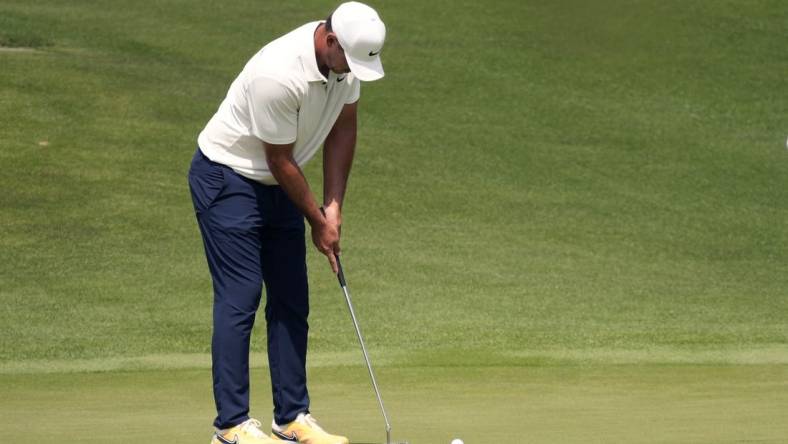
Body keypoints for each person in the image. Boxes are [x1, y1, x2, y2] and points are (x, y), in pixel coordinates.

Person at [187, 3, 386, 443]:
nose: (352, 71)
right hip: (228, 175)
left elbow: (344, 129)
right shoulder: (279, 74)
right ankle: (231, 426)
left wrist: (333, 206)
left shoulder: (347, 63)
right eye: (349, 61)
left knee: (292, 297)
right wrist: (316, 220)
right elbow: (278, 158)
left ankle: (291, 417)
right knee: (241, 297)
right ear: (330, 41)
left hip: (278, 180)